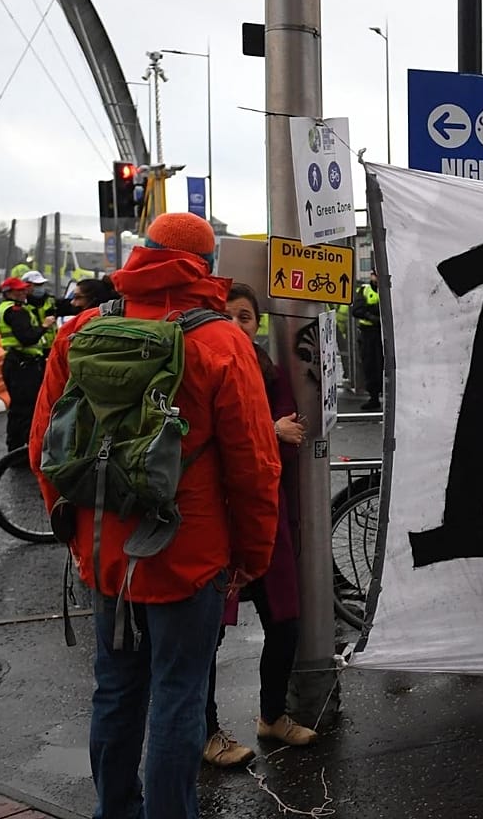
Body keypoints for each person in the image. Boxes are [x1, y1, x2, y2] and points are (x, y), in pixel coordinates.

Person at [29, 213, 282, 819]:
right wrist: (252, 556)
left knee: (115, 689)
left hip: (101, 548)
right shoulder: (222, 342)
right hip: (187, 552)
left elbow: (46, 444)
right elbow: (254, 466)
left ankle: (113, 810)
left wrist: (69, 529)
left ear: (141, 256)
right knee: (179, 693)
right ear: (206, 264)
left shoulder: (85, 328)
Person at [202, 284, 317, 768]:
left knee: (285, 622)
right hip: (217, 524)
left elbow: (292, 432)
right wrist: (269, 431)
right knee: (207, 634)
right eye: (226, 315)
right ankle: (205, 732)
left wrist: (274, 433)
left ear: (257, 323)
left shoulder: (270, 371)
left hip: (267, 518)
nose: (236, 325)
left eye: (245, 317)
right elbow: (210, 441)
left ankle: (272, 715)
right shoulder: (202, 367)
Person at [0, 276, 48, 453]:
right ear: (9, 293)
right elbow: (27, 338)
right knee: (26, 409)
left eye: (24, 289)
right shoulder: (16, 311)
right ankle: (24, 450)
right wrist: (44, 326)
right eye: (19, 290)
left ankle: (16, 449)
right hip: (23, 364)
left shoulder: (8, 308)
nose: (23, 292)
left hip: (16, 362)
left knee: (19, 409)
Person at [349, 271, 383, 411]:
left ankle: (386, 395)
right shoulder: (364, 289)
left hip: (383, 333)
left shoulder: (389, 289)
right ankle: (374, 397)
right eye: (375, 275)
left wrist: (370, 310)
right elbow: (357, 310)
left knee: (385, 365)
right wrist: (372, 314)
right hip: (368, 334)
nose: (376, 278)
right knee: (370, 365)